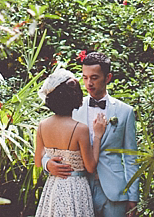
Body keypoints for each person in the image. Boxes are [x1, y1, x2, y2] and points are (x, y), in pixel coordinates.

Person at [44, 51, 139, 217]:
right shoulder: (71, 107)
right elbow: (51, 144)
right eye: (85, 77)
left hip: (115, 191)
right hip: (78, 189)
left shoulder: (125, 112)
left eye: (94, 78)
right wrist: (47, 164)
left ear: (107, 78)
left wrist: (133, 197)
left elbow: (131, 158)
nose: (88, 83)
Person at [35, 68, 107, 217]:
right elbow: (91, 166)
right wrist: (98, 135)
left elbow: (37, 161)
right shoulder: (80, 129)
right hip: (76, 188)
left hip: (53, 186)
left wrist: (48, 165)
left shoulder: (42, 125)